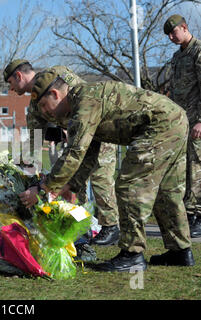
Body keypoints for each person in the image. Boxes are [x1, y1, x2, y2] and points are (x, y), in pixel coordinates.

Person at [19, 70, 195, 271]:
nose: (44, 112)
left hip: (159, 125)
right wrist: (72, 185)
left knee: (129, 185)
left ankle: (132, 255)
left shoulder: (84, 101)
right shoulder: (82, 103)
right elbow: (89, 152)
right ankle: (180, 251)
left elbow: (75, 151)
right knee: (167, 191)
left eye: (43, 105)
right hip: (174, 118)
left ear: (56, 94)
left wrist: (44, 188)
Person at [3, 60, 120, 246]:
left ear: (18, 76)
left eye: (10, 83)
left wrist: (73, 126)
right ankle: (83, 225)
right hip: (76, 140)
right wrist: (21, 164)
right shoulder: (34, 105)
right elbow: (34, 136)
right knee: (74, 182)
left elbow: (83, 98)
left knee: (100, 175)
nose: (10, 89)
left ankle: (111, 226)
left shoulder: (57, 73)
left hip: (96, 129)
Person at [164, 14, 201, 238]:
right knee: (185, 167)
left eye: (173, 32)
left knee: (196, 166)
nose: (170, 37)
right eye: (168, 34)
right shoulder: (177, 57)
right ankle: (188, 212)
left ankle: (197, 214)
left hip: (196, 120)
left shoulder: (198, 51)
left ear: (184, 27)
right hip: (181, 121)